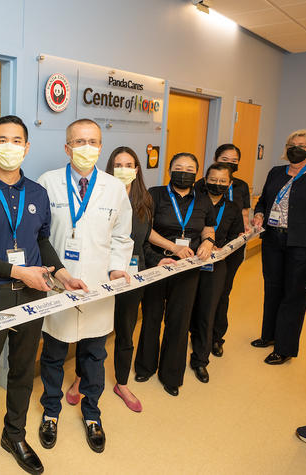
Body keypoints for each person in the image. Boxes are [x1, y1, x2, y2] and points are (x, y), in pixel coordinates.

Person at [0, 115, 86, 475]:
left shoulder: (38, 194)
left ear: (26, 148)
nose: (10, 147)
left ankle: (14, 434)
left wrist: (61, 273)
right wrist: (17, 271)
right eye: (3, 139)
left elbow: (41, 241)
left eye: (17, 141)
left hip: (33, 296)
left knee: (22, 368)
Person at [36, 119, 133, 454]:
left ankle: (92, 414)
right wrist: (52, 274)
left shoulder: (115, 188)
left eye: (93, 141)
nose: (86, 148)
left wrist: (119, 269)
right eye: (79, 142)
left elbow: (123, 236)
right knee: (52, 355)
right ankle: (51, 411)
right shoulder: (47, 183)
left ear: (101, 146)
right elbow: (40, 236)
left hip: (98, 287)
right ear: (67, 147)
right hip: (58, 286)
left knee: (94, 355)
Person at [74, 146, 174, 413]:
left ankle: (121, 382)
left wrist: (158, 260)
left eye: (129, 164)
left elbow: (143, 242)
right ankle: (80, 378)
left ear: (137, 169)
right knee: (91, 330)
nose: (124, 169)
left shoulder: (145, 200)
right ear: (110, 168)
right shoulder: (97, 194)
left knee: (126, 331)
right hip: (98, 275)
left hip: (131, 276)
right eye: (118, 164)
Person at [134, 152, 216, 396]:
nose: (184, 171)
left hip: (187, 268)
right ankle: (145, 366)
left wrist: (208, 242)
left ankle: (171, 375)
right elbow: (145, 230)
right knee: (151, 317)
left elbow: (208, 226)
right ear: (169, 170)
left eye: (190, 168)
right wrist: (173, 248)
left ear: (196, 173)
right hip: (158, 263)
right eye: (179, 167)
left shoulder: (203, 200)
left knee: (179, 321)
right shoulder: (155, 194)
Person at [251, 129, 306, 365]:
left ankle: (285, 348)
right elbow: (263, 201)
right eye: (292, 144)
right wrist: (258, 215)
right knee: (272, 288)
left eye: (302, 145)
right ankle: (269, 335)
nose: (296, 149)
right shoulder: (276, 172)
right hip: (273, 239)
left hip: (302, 244)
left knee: (294, 294)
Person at [189, 163, 244, 383]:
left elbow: (236, 237)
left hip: (217, 265)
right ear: (205, 179)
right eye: (213, 179)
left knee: (207, 311)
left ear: (229, 183)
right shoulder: (194, 201)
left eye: (223, 181)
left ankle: (200, 360)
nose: (217, 184)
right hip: (190, 262)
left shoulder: (232, 208)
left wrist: (222, 249)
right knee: (186, 310)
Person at [195, 144, 251, 357]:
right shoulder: (200, 188)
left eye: (234, 159)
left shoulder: (240, 188)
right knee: (200, 295)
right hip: (201, 251)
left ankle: (216, 337)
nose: (229, 161)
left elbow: (242, 217)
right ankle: (198, 334)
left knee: (221, 295)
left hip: (227, 252)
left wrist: (228, 244)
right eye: (224, 158)